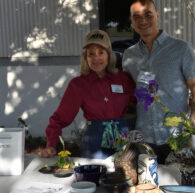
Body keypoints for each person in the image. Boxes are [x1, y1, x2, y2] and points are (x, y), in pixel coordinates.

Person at [122, 0, 195, 164]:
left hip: (176, 139)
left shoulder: (181, 49)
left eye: (148, 14)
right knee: (145, 187)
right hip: (143, 140)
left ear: (157, 16)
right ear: (131, 21)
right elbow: (127, 96)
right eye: (136, 17)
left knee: (178, 186)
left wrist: (192, 130)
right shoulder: (129, 55)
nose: (143, 21)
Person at [40, 30, 136, 159]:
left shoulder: (123, 79)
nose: (96, 58)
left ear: (108, 54)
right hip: (94, 143)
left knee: (123, 176)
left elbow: (141, 102)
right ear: (86, 57)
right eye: (91, 54)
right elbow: (59, 119)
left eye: (101, 52)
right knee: (94, 177)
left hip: (122, 140)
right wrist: (51, 144)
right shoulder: (78, 85)